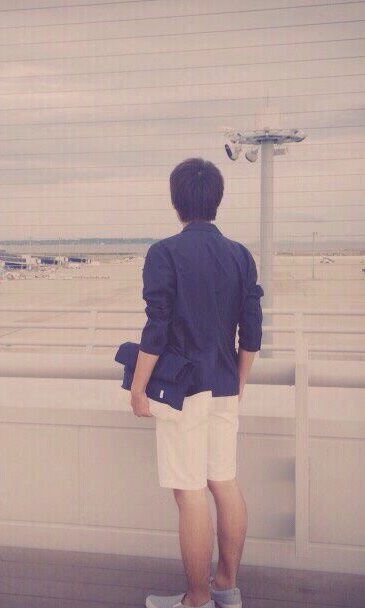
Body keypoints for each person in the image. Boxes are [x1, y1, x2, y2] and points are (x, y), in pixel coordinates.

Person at [130, 158, 264, 608]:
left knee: (190, 493)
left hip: (183, 392)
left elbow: (157, 327)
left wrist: (138, 388)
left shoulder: (164, 253)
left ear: (176, 202)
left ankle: (197, 598)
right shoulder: (240, 255)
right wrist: (237, 382)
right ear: (217, 200)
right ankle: (226, 586)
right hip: (225, 384)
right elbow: (252, 332)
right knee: (223, 482)